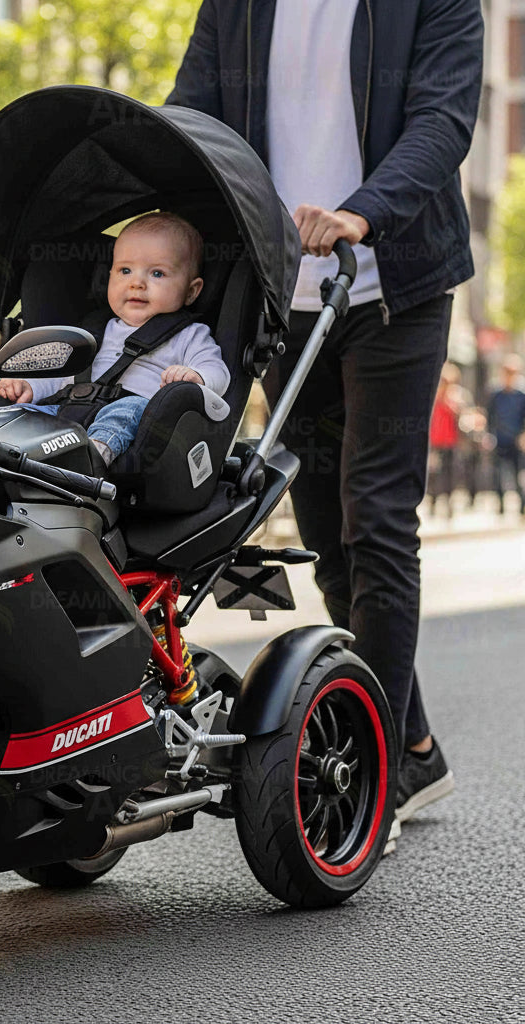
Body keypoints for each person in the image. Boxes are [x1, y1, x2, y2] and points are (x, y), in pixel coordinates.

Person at [168, 0, 483, 833]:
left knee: (376, 516)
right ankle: (408, 743)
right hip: (283, 294)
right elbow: (192, 110)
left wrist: (362, 210)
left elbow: (443, 122)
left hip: (393, 285)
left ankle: (372, 774)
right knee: (323, 529)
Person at [0, 212, 230, 464]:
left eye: (157, 274)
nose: (137, 283)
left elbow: (218, 371)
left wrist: (197, 377)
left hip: (140, 421)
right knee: (24, 414)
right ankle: (4, 451)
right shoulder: (94, 329)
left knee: (128, 410)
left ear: (191, 291)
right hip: (70, 412)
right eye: (125, 270)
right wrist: (30, 388)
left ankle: (93, 458)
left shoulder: (189, 334)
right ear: (109, 276)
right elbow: (62, 378)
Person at [485, 355, 525, 516]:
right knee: (498, 474)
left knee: (517, 474)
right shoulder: (496, 394)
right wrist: (488, 435)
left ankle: (522, 504)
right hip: (499, 439)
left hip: (516, 440)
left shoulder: (521, 395)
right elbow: (490, 415)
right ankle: (500, 504)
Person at [426, 363, 464, 519]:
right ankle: (433, 502)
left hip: (451, 442)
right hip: (435, 442)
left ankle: (449, 504)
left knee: (450, 474)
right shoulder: (433, 396)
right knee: (434, 474)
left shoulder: (457, 396)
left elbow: (461, 415)